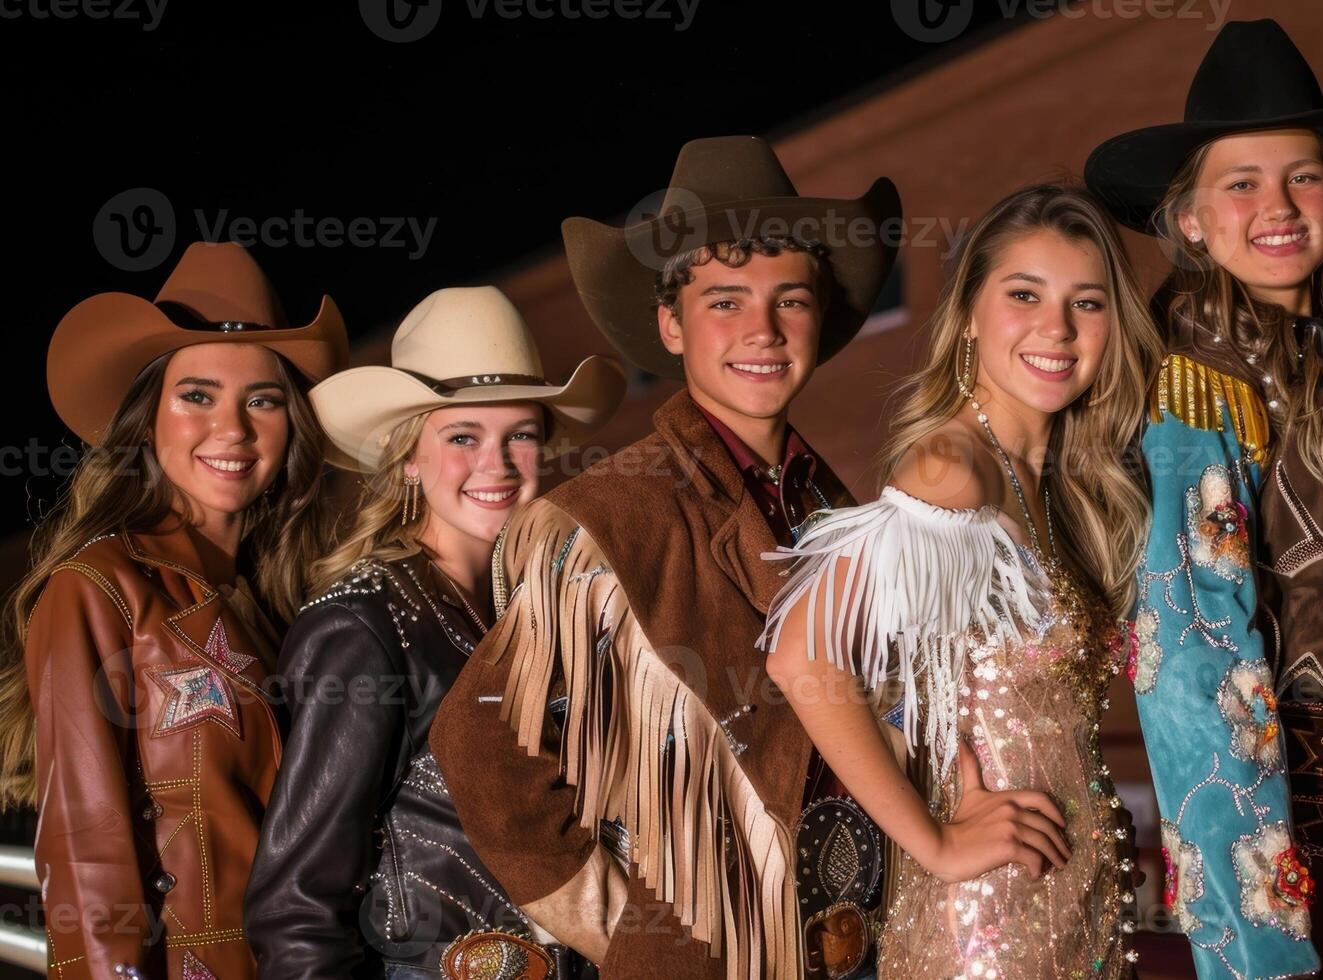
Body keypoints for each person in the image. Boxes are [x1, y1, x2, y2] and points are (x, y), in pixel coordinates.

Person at [427, 135, 902, 979]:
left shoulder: (834, 510)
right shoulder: (613, 511)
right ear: (669, 324)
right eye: (724, 302)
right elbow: (481, 739)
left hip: (860, 945)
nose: (762, 329)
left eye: (788, 300)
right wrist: (641, 941)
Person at [1085, 18, 1323, 978]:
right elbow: (1193, 678)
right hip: (1305, 844)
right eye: (1239, 182)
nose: (1276, 206)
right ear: (1189, 219)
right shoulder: (1193, 386)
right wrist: (1258, 945)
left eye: (1302, 176)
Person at [760, 182, 1161, 977]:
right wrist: (935, 841)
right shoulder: (952, 465)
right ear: (970, 313)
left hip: (1078, 907)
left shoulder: (1060, 485)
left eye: (1086, 303)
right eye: (1024, 295)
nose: (1056, 328)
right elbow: (802, 657)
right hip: (986, 925)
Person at [243, 285, 623, 978]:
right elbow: (296, 907)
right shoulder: (359, 624)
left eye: (522, 436)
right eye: (462, 437)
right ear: (408, 459)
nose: (497, 463)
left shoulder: (553, 613)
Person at [0, 242, 347, 978]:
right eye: (197, 396)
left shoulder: (297, 602)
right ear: (146, 419)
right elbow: (87, 854)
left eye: (262, 399)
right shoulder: (96, 587)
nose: (233, 430)